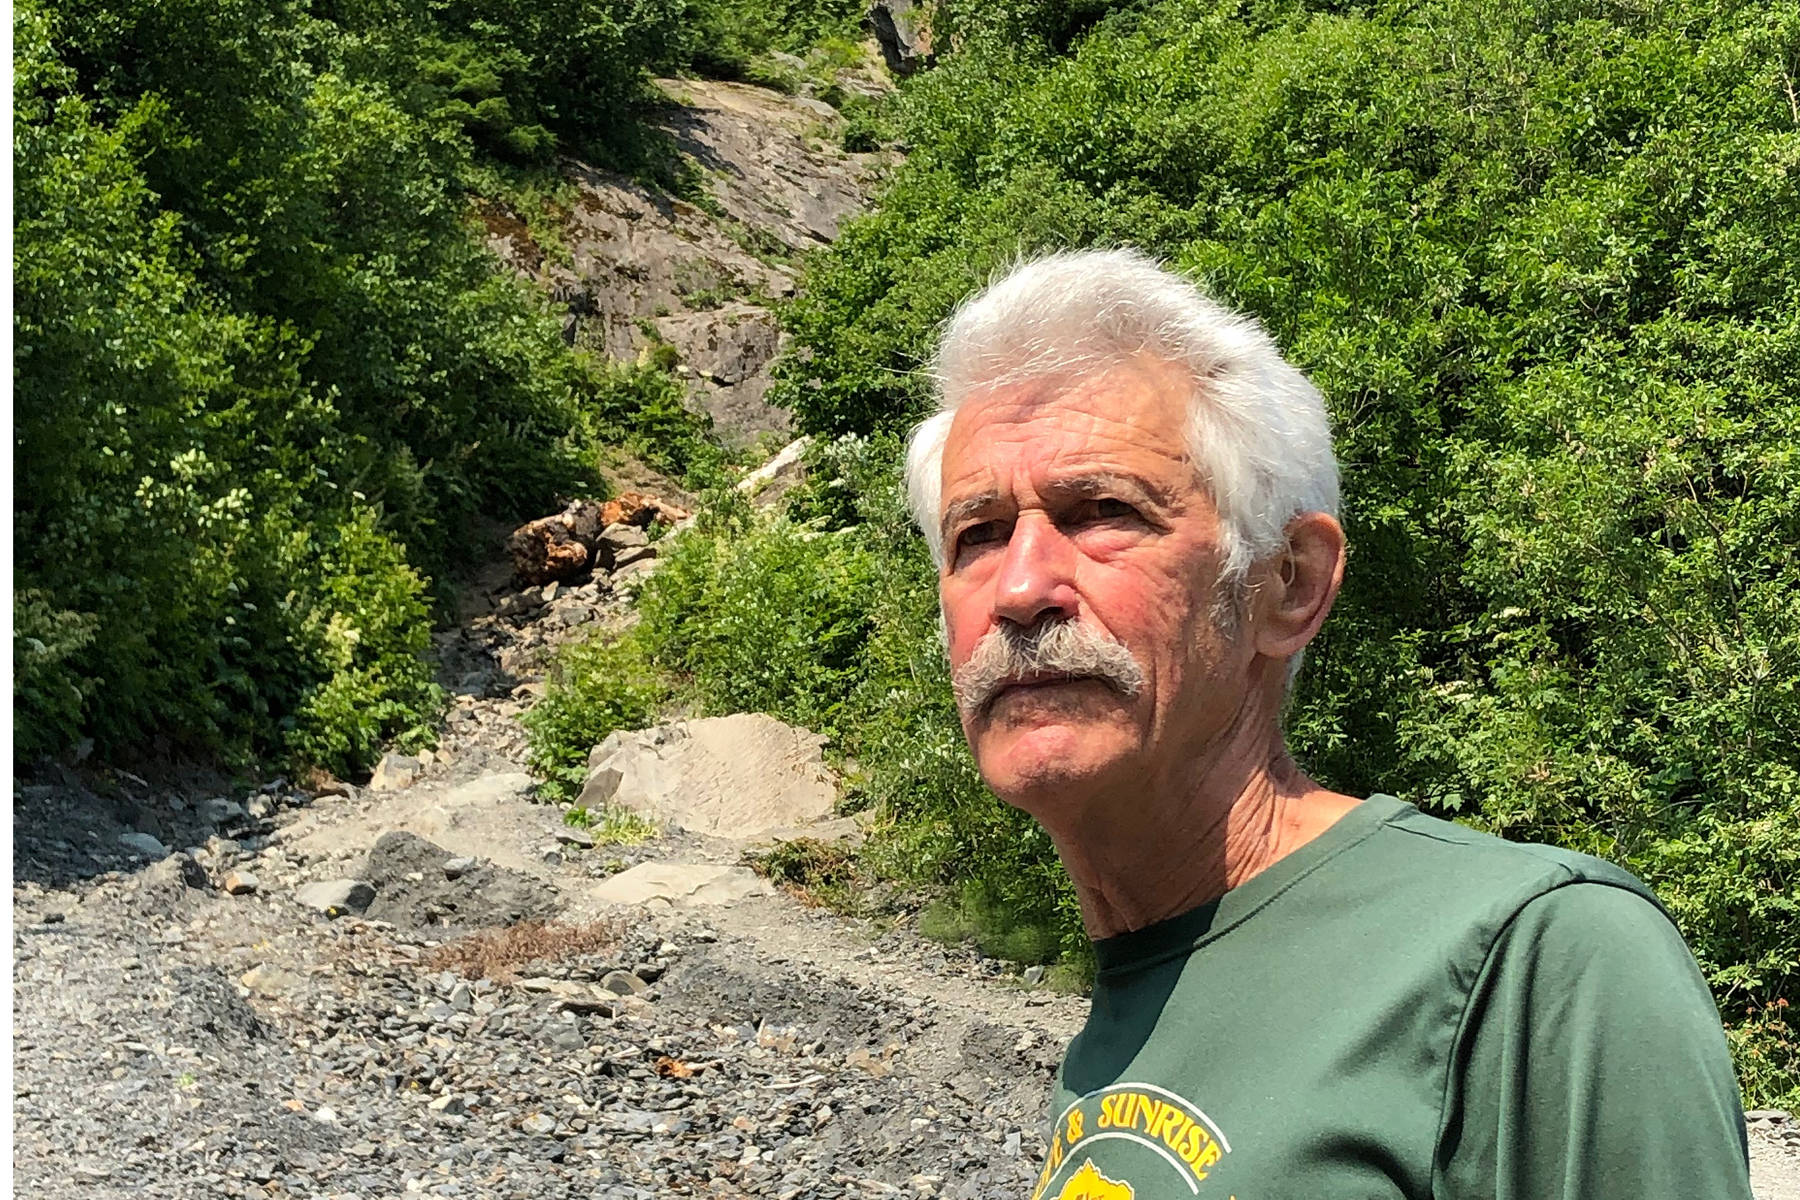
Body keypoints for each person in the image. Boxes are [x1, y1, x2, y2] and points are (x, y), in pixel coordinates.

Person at [903, 249, 1753, 1199]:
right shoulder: (1136, 992)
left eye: (1103, 512)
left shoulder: (1539, 961)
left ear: (1289, 583)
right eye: (975, 534)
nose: (1019, 589)